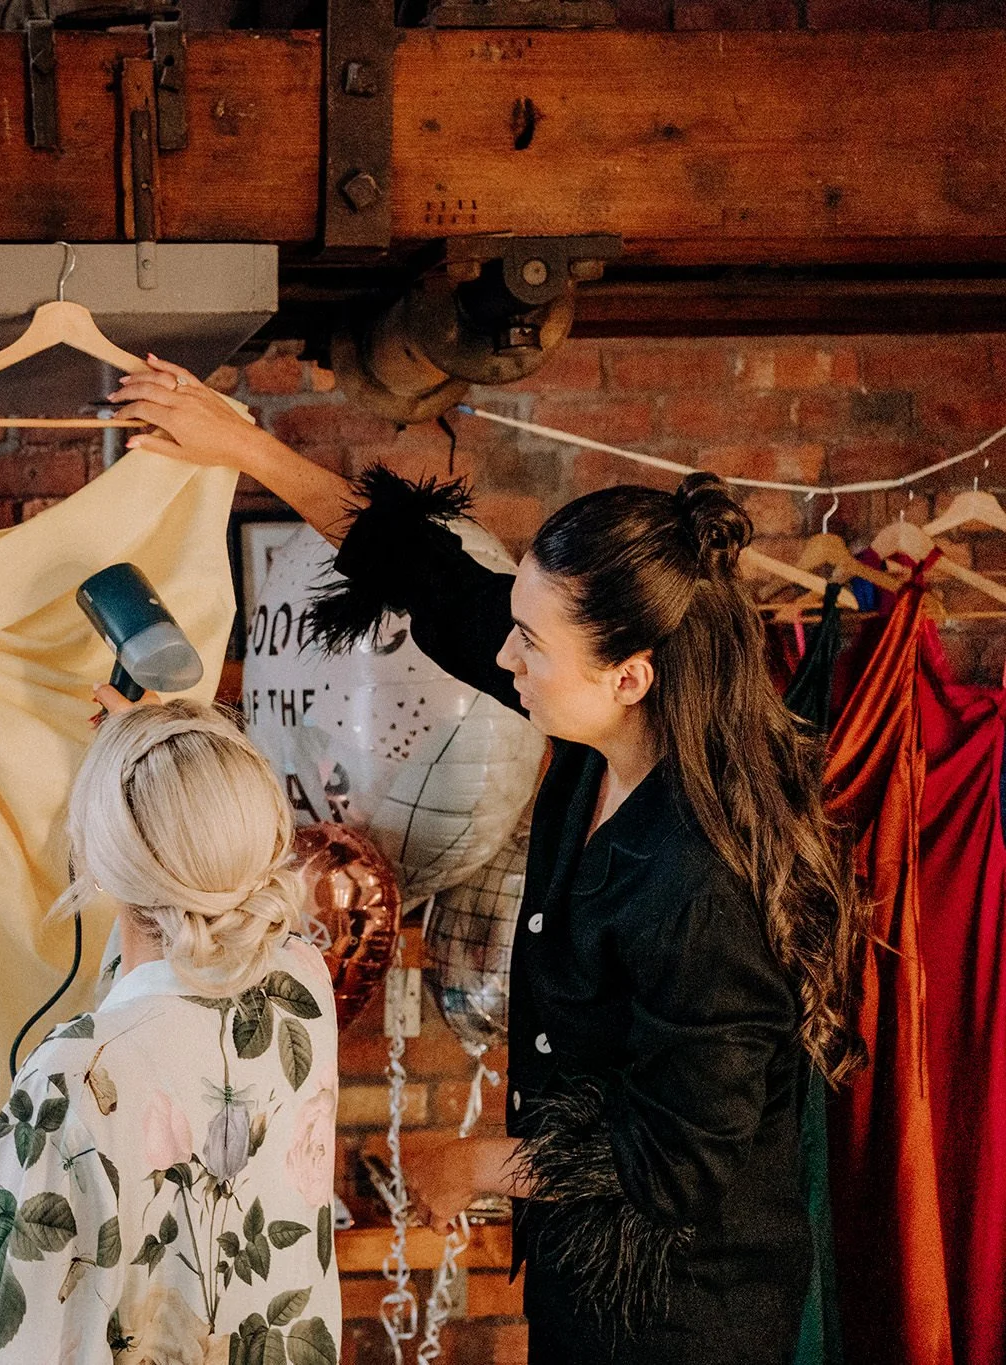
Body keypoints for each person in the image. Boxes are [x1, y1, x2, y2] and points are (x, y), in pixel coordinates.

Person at [98, 357, 864, 1364]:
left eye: (530, 644)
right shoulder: (605, 744)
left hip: (688, 1320)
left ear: (630, 676)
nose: (504, 658)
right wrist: (242, 446)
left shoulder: (699, 879)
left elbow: (678, 1165)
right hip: (583, 1286)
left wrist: (482, 1165)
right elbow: (424, 573)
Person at [0, 700, 344, 1365]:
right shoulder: (303, 985)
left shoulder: (73, 1074)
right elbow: (164, 964)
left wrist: (141, 770)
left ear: (99, 862)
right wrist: (170, 766)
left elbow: (1, 1339)